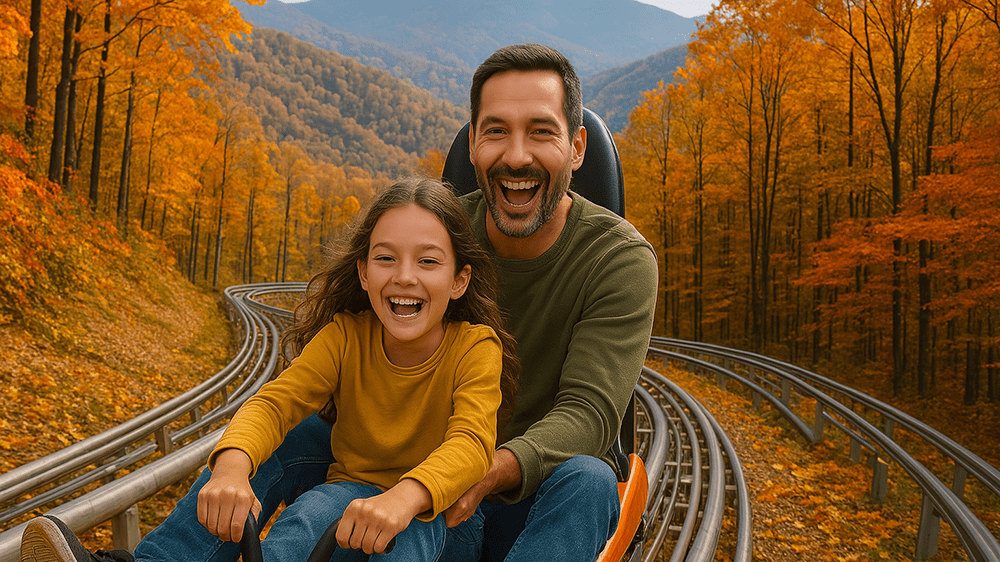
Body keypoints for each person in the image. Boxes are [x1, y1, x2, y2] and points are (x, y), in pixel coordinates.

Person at [20, 43, 657, 562]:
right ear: (473, 149)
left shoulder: (618, 260)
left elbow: (591, 414)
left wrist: (482, 471)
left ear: (576, 148)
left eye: (539, 133)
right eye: (496, 132)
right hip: (400, 474)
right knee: (295, 430)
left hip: (520, 492)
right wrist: (235, 461)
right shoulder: (435, 235)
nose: (515, 155)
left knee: (592, 478)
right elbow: (333, 352)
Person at [20, 178, 520, 562]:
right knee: (303, 521)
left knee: (394, 537)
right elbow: (275, 403)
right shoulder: (348, 335)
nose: (404, 276)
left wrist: (404, 499)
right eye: (386, 258)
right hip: (352, 491)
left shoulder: (475, 347)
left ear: (459, 279)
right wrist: (232, 469)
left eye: (428, 262)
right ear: (364, 274)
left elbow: (471, 444)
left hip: (437, 512)